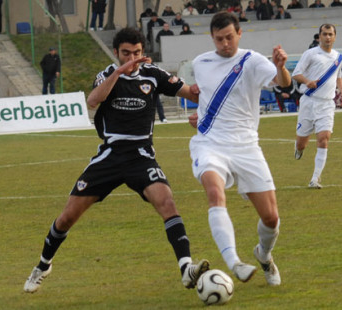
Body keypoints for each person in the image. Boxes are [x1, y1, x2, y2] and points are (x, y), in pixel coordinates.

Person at [23, 27, 209, 293]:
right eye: (125, 53)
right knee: (66, 218)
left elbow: (192, 93)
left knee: (167, 202)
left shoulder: (154, 75)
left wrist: (206, 95)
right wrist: (119, 72)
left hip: (141, 156)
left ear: (143, 53)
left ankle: (186, 268)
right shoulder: (108, 75)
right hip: (110, 156)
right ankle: (43, 265)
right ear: (116, 53)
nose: (131, 57)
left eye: (136, 53)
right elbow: (92, 101)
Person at [189, 11, 290, 285]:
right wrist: (199, 117)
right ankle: (234, 262)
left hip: (246, 147)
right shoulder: (200, 63)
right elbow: (207, 96)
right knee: (214, 191)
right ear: (212, 37)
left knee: (271, 218)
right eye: (219, 39)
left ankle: (264, 255)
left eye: (229, 37)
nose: (225, 44)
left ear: (239, 34)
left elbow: (284, 85)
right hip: (210, 144)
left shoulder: (252, 61)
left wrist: (281, 66)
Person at [292, 23, 342, 189]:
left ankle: (315, 178)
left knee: (324, 139)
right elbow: (296, 74)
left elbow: (338, 76)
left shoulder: (338, 57)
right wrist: (307, 81)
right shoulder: (310, 54)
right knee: (302, 142)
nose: (328, 37)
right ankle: (298, 148)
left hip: (327, 104)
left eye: (330, 34)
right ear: (319, 36)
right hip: (309, 102)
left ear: (335, 36)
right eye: (324, 34)